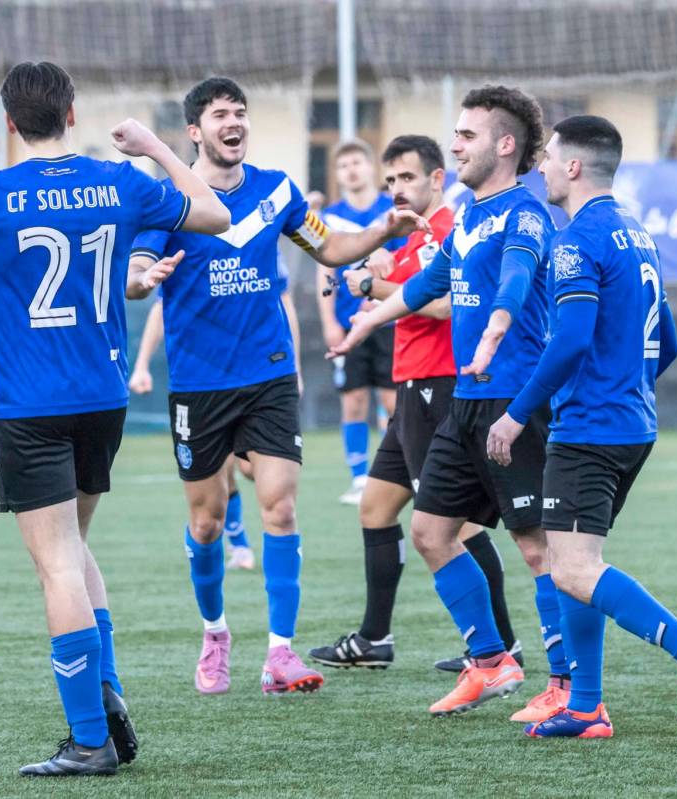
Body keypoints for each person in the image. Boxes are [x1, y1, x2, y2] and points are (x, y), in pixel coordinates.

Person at [0, 61, 230, 775]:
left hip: (32, 406)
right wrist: (155, 148)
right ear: (72, 113)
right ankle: (106, 696)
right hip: (103, 397)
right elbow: (214, 214)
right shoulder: (118, 183)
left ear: (9, 122)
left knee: (57, 564)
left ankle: (89, 739)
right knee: (75, 549)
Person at [127, 76, 425, 697]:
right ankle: (215, 635)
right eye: (219, 114)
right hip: (200, 384)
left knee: (281, 508)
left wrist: (382, 232)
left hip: (269, 374)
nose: (233, 122)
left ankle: (280, 654)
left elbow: (330, 247)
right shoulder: (169, 200)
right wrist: (141, 278)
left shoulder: (278, 191)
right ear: (195, 131)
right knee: (207, 522)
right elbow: (135, 274)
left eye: (239, 112)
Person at [484, 115, 677, 740]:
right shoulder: (636, 233)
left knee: (571, 569)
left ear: (573, 166)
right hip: (630, 424)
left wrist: (516, 414)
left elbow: (570, 341)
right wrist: (626, 388)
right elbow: (666, 342)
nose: (541, 166)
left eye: (548, 156)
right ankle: (586, 706)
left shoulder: (576, 240)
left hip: (590, 429)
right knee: (576, 560)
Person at [331, 86, 561, 720]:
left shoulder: (525, 211)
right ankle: (489, 662)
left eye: (466, 135)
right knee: (431, 531)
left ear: (505, 145)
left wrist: (496, 325)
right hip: (467, 401)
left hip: (514, 400)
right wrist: (366, 321)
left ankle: (567, 686)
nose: (455, 145)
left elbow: (517, 275)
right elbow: (425, 286)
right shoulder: (469, 216)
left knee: (538, 549)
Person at [308, 134, 522, 672]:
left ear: (437, 179)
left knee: (457, 525)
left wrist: (369, 287)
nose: (397, 189)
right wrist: (379, 278)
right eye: (391, 181)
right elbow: (404, 291)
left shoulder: (447, 230)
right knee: (376, 508)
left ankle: (502, 643)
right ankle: (374, 639)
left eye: (407, 177)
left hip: (439, 387)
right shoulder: (415, 236)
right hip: (410, 389)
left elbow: (445, 304)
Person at [129, 247, 303, 570]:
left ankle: (245, 544)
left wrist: (296, 368)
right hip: (204, 384)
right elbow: (159, 308)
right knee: (218, 482)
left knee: (251, 472)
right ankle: (240, 544)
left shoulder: (260, 242)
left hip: (259, 377)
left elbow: (284, 301)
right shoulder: (182, 241)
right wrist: (141, 366)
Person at [316, 140, 401, 504]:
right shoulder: (329, 218)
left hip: (391, 321)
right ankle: (359, 479)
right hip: (349, 324)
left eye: (356, 162)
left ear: (370, 167)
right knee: (353, 401)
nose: (351, 170)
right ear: (337, 174)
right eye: (343, 165)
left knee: (393, 402)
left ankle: (395, 474)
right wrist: (328, 322)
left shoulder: (393, 211)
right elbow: (325, 273)